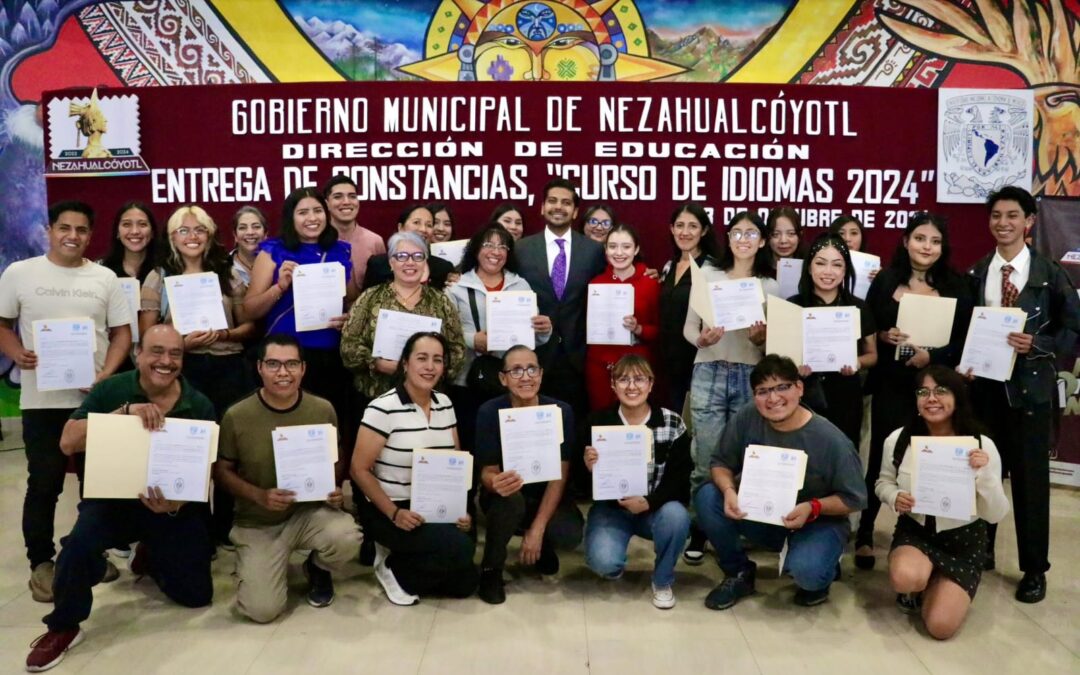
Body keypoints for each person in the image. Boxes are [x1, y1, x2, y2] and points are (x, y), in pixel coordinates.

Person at [24, 325, 213, 672]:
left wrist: (177, 506)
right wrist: (123, 414)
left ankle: (151, 555)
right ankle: (63, 626)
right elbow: (68, 442)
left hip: (167, 508)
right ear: (139, 354)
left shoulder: (198, 404)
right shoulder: (112, 390)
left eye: (175, 354)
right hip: (110, 502)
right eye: (157, 351)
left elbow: (206, 473)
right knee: (79, 549)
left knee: (196, 595)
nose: (166, 361)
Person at [0, 200, 132, 604]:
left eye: (81, 230)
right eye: (64, 228)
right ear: (50, 231)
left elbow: (122, 333)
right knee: (45, 483)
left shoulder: (104, 278)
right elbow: (3, 325)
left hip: (93, 399)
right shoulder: (20, 274)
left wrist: (107, 374)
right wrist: (16, 353)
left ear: (91, 235)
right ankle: (42, 562)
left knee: (98, 484)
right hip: (42, 400)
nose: (72, 236)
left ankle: (86, 552)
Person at [966, 186, 1080, 603]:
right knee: (982, 475)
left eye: (1012, 215)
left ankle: (1034, 569)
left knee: (1031, 486)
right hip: (985, 395)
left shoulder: (1049, 274)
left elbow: (1073, 330)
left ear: (1029, 221)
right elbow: (963, 332)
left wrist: (1039, 344)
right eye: (996, 215)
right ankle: (982, 553)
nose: (1003, 223)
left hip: (1030, 397)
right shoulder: (977, 273)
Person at [695, 355, 867, 610]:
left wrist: (812, 507)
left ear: (799, 388)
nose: (772, 399)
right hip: (764, 515)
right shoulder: (748, 417)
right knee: (708, 496)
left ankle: (821, 568)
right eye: (763, 391)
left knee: (808, 575)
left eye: (781, 387)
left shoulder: (831, 439)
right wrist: (729, 490)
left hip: (815, 521)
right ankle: (739, 572)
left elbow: (854, 499)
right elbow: (720, 462)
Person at [215, 334, 362, 622]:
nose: (283, 373)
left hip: (308, 513)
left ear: (303, 369)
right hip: (258, 521)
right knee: (262, 611)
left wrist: (333, 486)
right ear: (259, 368)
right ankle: (261, 565)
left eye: (291, 364)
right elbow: (221, 472)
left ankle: (317, 567)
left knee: (347, 536)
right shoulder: (237, 415)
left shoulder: (322, 409)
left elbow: (337, 453)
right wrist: (259, 495)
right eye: (273, 364)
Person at [859, 213, 972, 570]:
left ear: (943, 247)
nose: (927, 247)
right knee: (882, 455)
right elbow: (868, 326)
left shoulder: (956, 285)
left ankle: (923, 536)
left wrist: (932, 356)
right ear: (906, 240)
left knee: (929, 459)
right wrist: (882, 336)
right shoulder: (886, 280)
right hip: (891, 384)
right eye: (920, 238)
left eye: (935, 241)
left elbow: (964, 340)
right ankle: (864, 533)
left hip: (934, 387)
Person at [140, 205, 257, 546]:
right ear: (172, 237)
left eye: (199, 230)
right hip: (182, 371)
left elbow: (249, 326)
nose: (192, 237)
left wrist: (225, 335)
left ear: (210, 236)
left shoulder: (228, 273)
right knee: (187, 449)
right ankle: (189, 525)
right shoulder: (158, 277)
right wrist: (181, 342)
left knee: (226, 451)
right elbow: (148, 336)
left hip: (229, 369)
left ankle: (222, 526)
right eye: (183, 231)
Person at [877, 366, 1009, 639]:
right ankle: (921, 580)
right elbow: (883, 483)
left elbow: (996, 514)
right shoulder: (898, 440)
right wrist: (893, 497)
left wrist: (983, 475)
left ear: (958, 398)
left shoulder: (981, 444)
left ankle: (939, 585)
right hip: (916, 533)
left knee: (940, 627)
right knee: (906, 577)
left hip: (963, 540)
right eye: (923, 392)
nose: (931, 398)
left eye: (941, 391)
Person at [351, 332, 478, 605]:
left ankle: (411, 558)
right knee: (458, 549)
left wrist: (460, 510)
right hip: (392, 507)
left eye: (437, 360)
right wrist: (394, 513)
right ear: (405, 363)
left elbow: (453, 462)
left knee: (466, 583)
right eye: (421, 358)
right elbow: (359, 470)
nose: (430, 367)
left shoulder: (445, 404)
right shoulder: (382, 408)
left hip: (434, 503)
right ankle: (391, 567)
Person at [681, 211, 777, 564]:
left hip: (749, 374)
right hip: (709, 369)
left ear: (763, 241)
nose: (743, 239)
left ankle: (734, 528)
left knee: (744, 458)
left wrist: (761, 338)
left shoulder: (770, 284)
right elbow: (689, 329)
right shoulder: (708, 274)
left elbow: (773, 344)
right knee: (704, 457)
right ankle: (701, 526)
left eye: (751, 233)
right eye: (737, 233)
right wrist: (702, 339)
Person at [514, 178, 606, 488]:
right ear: (541, 207)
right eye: (552, 201)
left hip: (577, 355)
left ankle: (572, 490)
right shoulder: (521, 248)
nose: (558, 207)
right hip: (535, 354)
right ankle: (532, 489)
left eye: (566, 202)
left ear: (575, 210)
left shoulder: (593, 250)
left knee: (573, 425)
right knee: (533, 428)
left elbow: (608, 286)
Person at [474, 346, 583, 604]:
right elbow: (486, 472)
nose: (526, 377)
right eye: (516, 371)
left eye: (532, 369)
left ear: (541, 374)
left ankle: (540, 543)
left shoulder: (560, 412)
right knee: (510, 500)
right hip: (505, 496)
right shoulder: (489, 412)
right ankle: (491, 568)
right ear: (503, 378)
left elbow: (560, 474)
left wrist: (538, 528)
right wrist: (494, 481)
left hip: (544, 494)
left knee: (570, 531)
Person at [243, 187, 358, 434]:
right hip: (284, 355)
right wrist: (279, 287)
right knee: (283, 428)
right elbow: (250, 309)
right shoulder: (272, 251)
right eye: (303, 212)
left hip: (329, 355)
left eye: (317, 211)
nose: (312, 218)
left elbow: (351, 301)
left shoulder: (341, 250)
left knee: (325, 428)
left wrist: (348, 317)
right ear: (290, 218)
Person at [583, 355, 692, 609]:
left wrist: (649, 502)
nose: (632, 386)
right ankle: (611, 556)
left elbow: (680, 480)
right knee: (604, 563)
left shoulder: (671, 422)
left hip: (654, 509)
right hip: (612, 509)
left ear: (651, 384)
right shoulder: (597, 422)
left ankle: (663, 579)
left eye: (640, 379)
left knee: (677, 516)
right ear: (613, 384)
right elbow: (579, 484)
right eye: (623, 379)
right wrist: (587, 467)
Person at [445, 224, 552, 451]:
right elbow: (445, 333)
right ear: (475, 250)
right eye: (488, 245)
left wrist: (543, 330)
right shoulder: (457, 287)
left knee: (508, 448)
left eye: (502, 246)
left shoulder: (520, 285)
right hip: (468, 379)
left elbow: (531, 341)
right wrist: (473, 340)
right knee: (472, 443)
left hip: (512, 381)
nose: (496, 251)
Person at [341, 231, 466, 412]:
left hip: (427, 400)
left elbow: (457, 350)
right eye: (401, 256)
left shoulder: (441, 301)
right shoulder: (370, 297)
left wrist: (428, 368)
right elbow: (348, 346)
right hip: (375, 398)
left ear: (425, 263)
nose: (410, 262)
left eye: (417, 256)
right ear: (391, 263)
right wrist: (378, 363)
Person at [787, 233, 878, 447]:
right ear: (809, 267)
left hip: (845, 394)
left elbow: (872, 355)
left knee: (842, 454)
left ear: (845, 270)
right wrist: (794, 367)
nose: (828, 272)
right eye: (820, 263)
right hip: (802, 394)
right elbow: (778, 356)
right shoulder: (792, 306)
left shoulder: (859, 307)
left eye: (837, 265)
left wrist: (857, 363)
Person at [585, 223, 659, 411]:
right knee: (602, 419)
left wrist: (638, 328)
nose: (619, 253)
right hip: (600, 367)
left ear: (636, 249)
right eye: (612, 246)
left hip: (637, 368)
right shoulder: (595, 284)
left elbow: (661, 330)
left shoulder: (650, 282)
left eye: (626, 247)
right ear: (605, 249)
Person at [658, 203, 722, 413]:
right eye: (680, 225)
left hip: (697, 361)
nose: (685, 232)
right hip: (667, 362)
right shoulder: (669, 266)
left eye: (693, 226)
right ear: (671, 229)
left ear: (704, 231)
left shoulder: (712, 268)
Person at [362, 205, 456, 290]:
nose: (423, 229)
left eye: (429, 225)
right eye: (416, 222)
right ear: (400, 227)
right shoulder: (377, 264)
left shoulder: (444, 268)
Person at [322, 174, 385, 293]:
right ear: (326, 204)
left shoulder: (375, 241)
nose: (346, 202)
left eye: (352, 196)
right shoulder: (316, 240)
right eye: (338, 197)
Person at [98, 201, 159, 283]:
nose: (135, 231)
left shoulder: (165, 271)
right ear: (117, 232)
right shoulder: (101, 269)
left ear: (152, 232)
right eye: (127, 224)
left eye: (142, 224)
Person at [229, 205, 268, 290]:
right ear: (235, 235)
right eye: (242, 228)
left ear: (265, 234)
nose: (250, 232)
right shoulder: (223, 266)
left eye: (256, 227)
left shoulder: (276, 264)